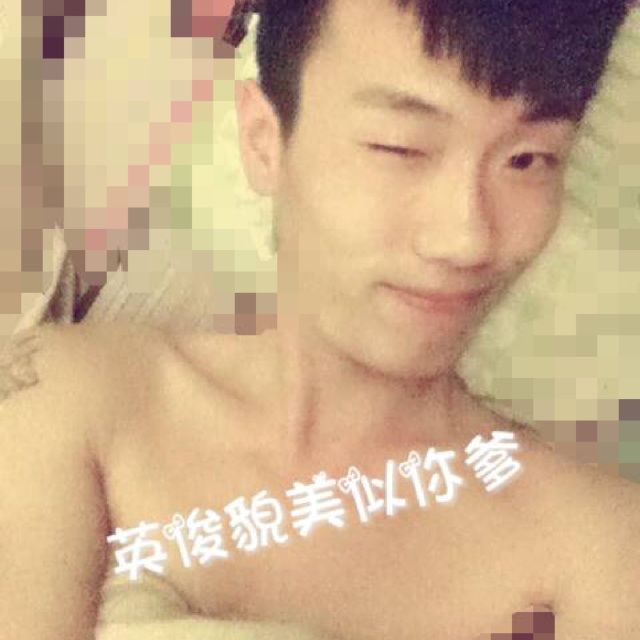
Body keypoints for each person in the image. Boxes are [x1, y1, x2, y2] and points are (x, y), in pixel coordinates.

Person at [1, 0, 639, 638]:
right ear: (264, 141)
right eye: (400, 147)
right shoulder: (77, 401)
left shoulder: (595, 548)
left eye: (528, 160)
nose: (467, 239)